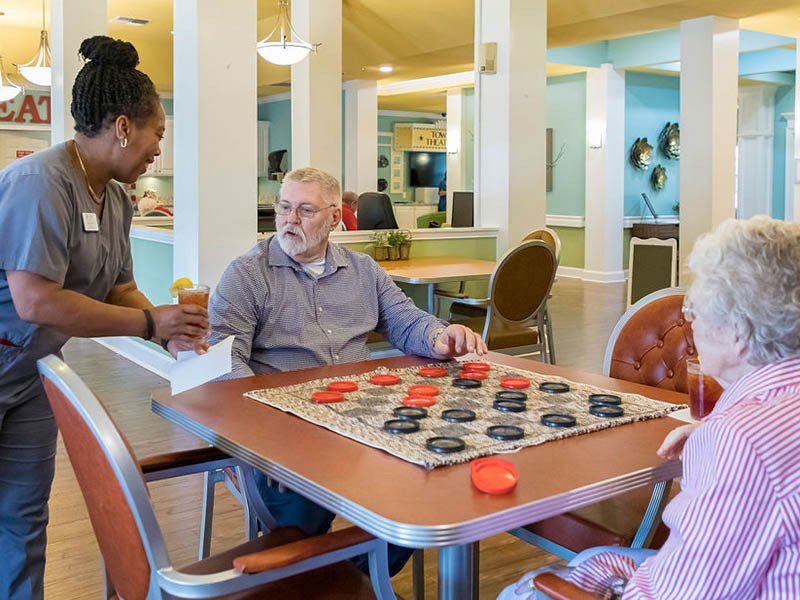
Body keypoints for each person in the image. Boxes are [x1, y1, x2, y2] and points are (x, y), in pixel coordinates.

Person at [0, 36, 208, 599]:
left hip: (33, 374)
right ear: (123, 127)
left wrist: (171, 330)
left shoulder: (116, 197)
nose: (156, 151)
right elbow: (35, 301)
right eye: (156, 134)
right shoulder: (39, 184)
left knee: (23, 517)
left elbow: (121, 285)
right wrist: (148, 326)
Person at [499, 216, 800, 599]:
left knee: (524, 591)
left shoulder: (743, 441)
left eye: (696, 311)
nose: (691, 326)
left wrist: (727, 442)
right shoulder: (763, 421)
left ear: (737, 332)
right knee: (594, 557)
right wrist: (713, 436)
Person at [210, 166, 487, 576]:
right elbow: (224, 359)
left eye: (305, 210)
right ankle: (334, 577)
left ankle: (350, 578)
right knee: (303, 518)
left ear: (335, 218)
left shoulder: (364, 271)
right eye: (284, 207)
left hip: (366, 419)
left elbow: (406, 320)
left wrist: (440, 337)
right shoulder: (247, 274)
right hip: (286, 431)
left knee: (422, 495)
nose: (290, 220)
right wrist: (266, 435)